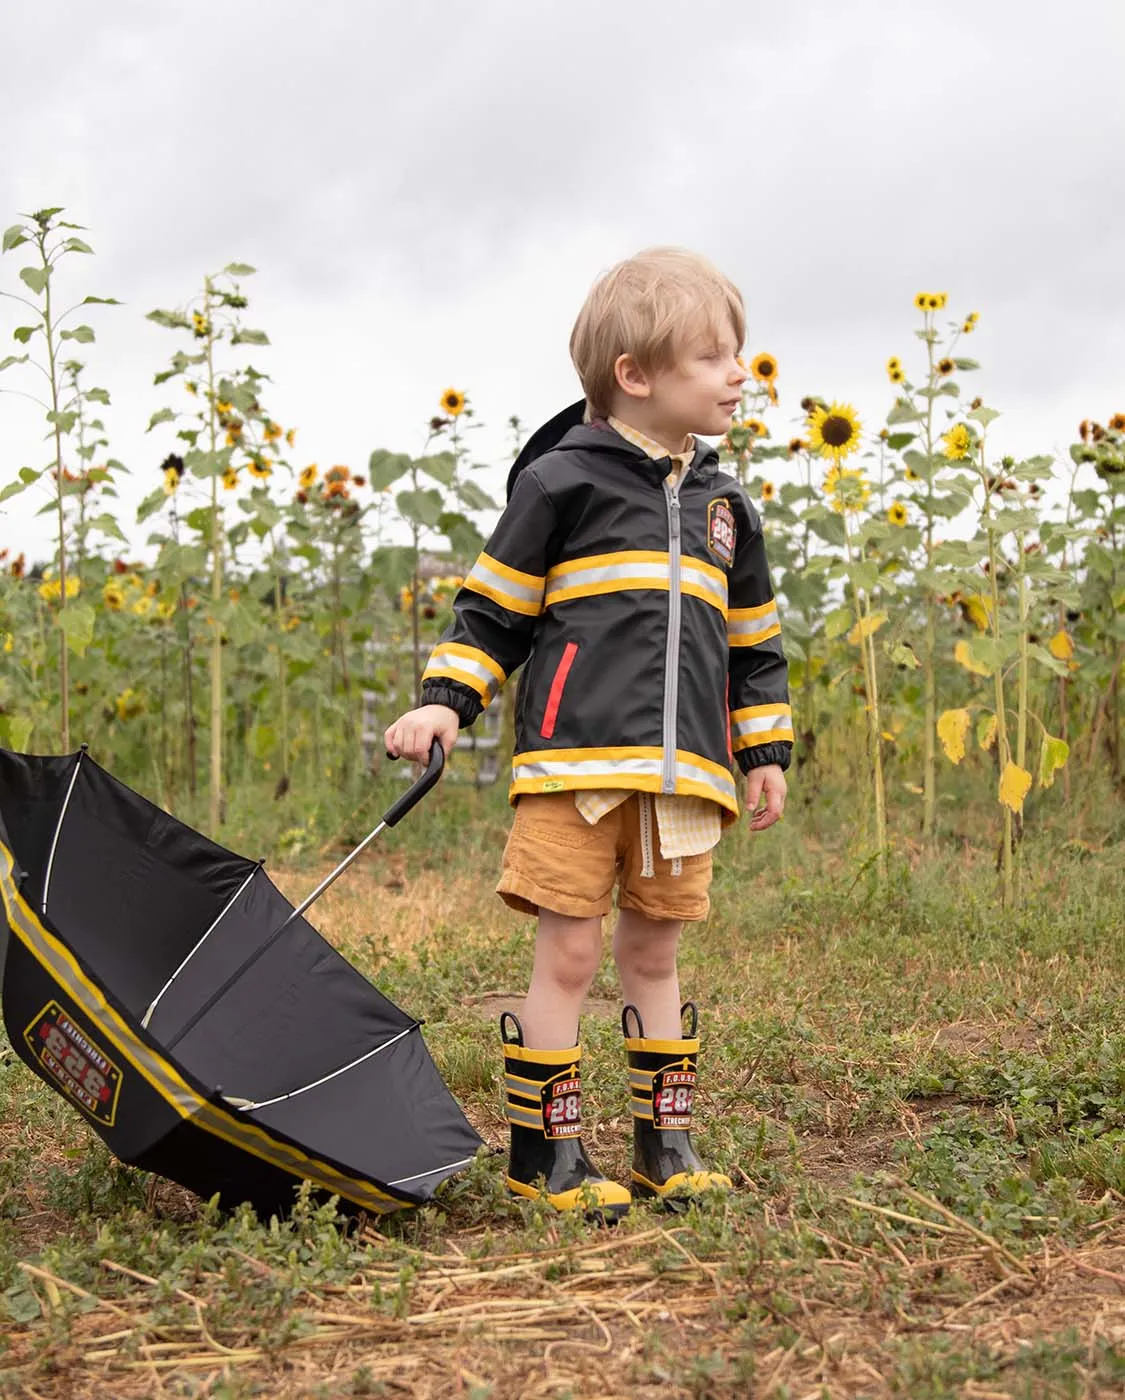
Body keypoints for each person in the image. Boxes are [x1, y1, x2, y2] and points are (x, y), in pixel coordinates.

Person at [385, 247, 792, 1215]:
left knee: (655, 955)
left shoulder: (727, 508)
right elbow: (494, 610)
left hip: (684, 780)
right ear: (637, 375)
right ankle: (546, 1152)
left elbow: (754, 641)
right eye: (713, 357)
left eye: (739, 355)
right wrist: (448, 696)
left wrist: (764, 748)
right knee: (568, 955)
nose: (741, 373)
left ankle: (667, 1144)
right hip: (574, 768)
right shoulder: (562, 483)